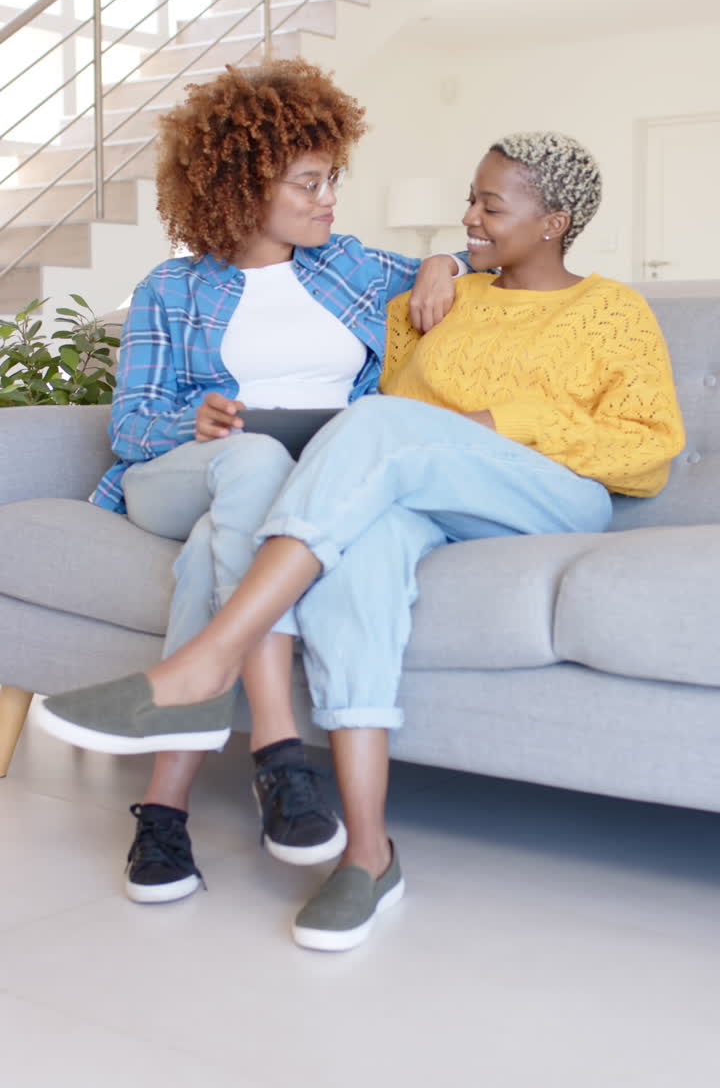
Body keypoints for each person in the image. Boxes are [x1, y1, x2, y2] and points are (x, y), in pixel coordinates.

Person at [37, 131, 686, 951]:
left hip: (544, 491)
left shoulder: (610, 308)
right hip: (431, 488)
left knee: (374, 424)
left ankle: (201, 664)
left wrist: (502, 424)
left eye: (490, 204)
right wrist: (444, 270)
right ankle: (368, 855)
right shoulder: (438, 301)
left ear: (553, 222)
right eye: (472, 198)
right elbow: (400, 400)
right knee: (357, 561)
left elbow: (648, 448)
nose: (469, 216)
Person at [73, 57, 466, 904]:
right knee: (251, 459)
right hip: (185, 473)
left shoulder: (348, 266)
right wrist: (196, 420)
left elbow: (483, 268)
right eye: (309, 183)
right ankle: (278, 753)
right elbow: (129, 428)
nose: (330, 200)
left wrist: (443, 263)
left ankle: (163, 810)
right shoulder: (171, 290)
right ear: (241, 187)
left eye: (333, 179)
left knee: (222, 545)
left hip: (290, 491)